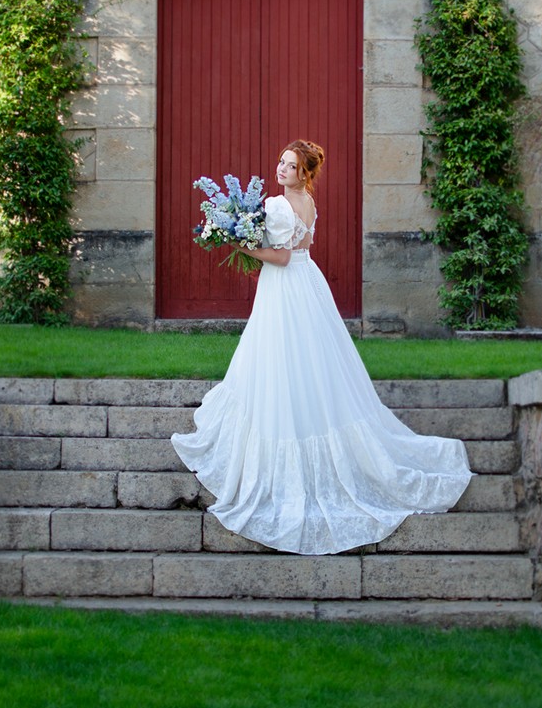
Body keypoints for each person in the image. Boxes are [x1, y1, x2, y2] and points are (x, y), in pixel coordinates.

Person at [171, 139, 474, 555]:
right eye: (280, 161)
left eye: (290, 166)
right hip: (307, 282)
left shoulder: (278, 206)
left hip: (285, 285)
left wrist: (241, 246)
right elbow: (301, 250)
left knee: (281, 357)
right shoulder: (309, 202)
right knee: (310, 361)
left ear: (303, 173)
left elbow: (278, 258)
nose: (280, 169)